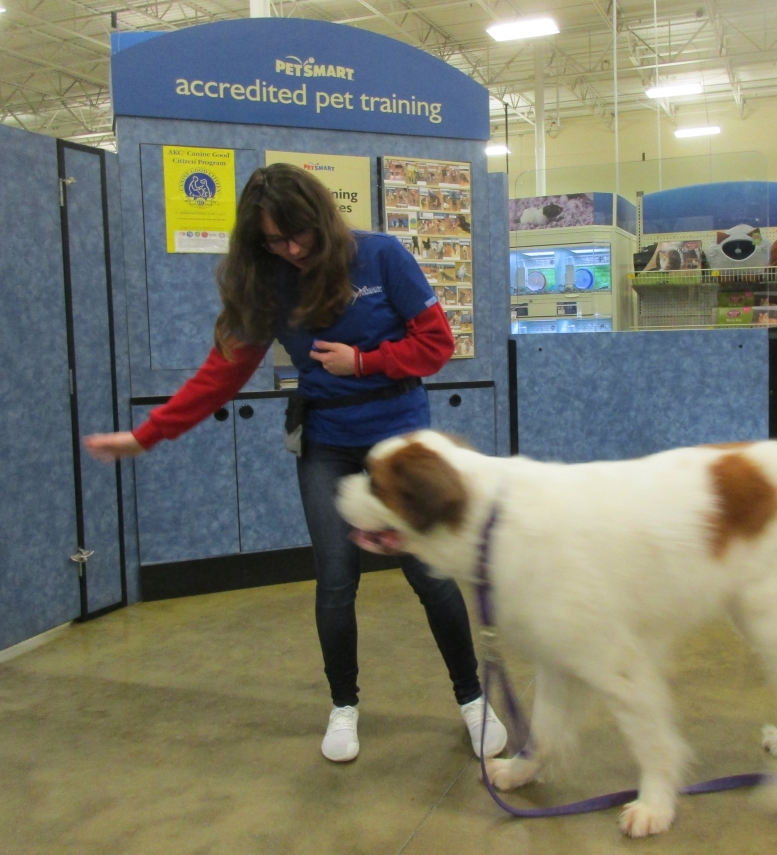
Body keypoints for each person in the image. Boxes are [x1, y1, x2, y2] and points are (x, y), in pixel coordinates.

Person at [84, 163, 506, 764]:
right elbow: (222, 373)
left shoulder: (381, 256)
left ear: (321, 219)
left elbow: (437, 344)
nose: (293, 249)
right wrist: (147, 435)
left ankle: (472, 700)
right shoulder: (270, 279)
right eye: (275, 241)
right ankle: (343, 706)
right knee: (335, 579)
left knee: (429, 573)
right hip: (327, 442)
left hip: (400, 442)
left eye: (299, 234)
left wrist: (364, 362)